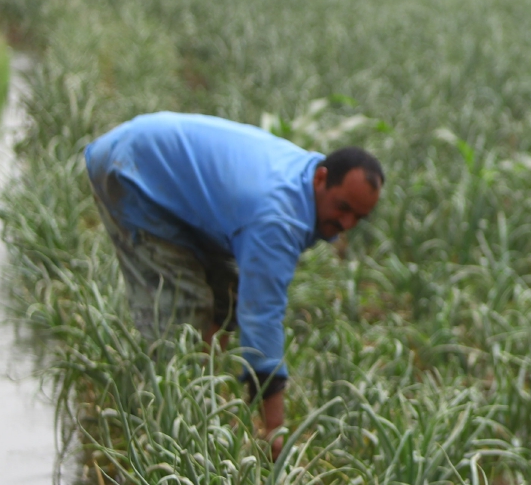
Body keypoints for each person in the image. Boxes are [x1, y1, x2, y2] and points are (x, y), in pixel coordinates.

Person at [83, 112, 383, 450]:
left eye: (359, 217)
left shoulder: (306, 180)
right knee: (183, 312)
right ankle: (166, 428)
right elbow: (263, 316)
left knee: (226, 295)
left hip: (151, 161)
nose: (346, 223)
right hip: (133, 172)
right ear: (322, 179)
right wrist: (275, 430)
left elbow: (248, 295)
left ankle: (201, 389)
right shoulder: (279, 217)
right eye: (342, 207)